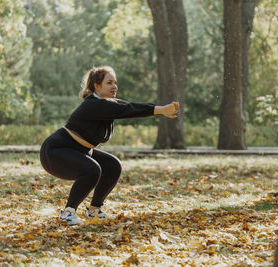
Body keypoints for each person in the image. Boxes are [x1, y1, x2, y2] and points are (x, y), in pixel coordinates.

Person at [40, 66, 179, 225]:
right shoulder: (93, 105)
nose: (114, 86)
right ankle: (68, 213)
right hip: (55, 152)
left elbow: (129, 107)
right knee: (92, 170)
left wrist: (161, 110)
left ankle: (94, 210)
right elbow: (128, 109)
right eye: (109, 83)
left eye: (115, 82)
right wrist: (161, 110)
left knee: (113, 165)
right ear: (96, 86)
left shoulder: (107, 104)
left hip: (80, 150)